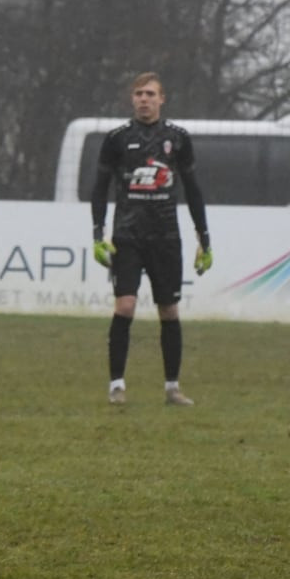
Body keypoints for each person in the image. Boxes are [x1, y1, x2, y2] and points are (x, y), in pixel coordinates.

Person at [90, 71, 213, 406]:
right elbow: (99, 189)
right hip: (127, 235)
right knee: (125, 305)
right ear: (132, 99)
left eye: (150, 94)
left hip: (166, 237)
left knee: (169, 310)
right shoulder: (116, 139)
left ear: (162, 99)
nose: (144, 99)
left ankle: (172, 387)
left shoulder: (178, 138)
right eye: (138, 94)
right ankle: (116, 385)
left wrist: (205, 238)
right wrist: (98, 234)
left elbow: (193, 190)